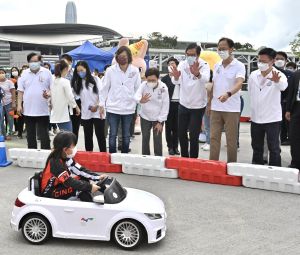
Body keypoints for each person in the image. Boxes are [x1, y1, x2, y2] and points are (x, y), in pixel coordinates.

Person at [208, 37, 245, 163]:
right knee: (214, 138)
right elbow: (213, 84)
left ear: (231, 49)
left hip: (231, 108)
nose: (220, 51)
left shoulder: (239, 65)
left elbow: (240, 83)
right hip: (216, 107)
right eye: (219, 49)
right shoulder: (217, 65)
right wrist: (209, 104)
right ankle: (213, 164)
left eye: (223, 49)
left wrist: (228, 94)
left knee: (231, 139)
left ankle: (231, 165)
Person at [248, 48, 287, 166]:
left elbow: (283, 86)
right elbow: (250, 92)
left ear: (272, 61)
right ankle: (257, 166)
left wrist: (277, 81)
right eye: (259, 60)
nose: (261, 63)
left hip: (272, 119)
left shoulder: (279, 75)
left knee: (273, 147)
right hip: (256, 118)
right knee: (256, 146)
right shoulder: (253, 75)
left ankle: (276, 170)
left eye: (264, 61)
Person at [40, 131, 107, 201]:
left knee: (84, 180)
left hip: (59, 186)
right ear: (65, 149)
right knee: (82, 188)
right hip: (50, 193)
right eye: (73, 146)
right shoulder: (55, 162)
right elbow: (68, 181)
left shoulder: (67, 158)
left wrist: (98, 177)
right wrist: (89, 187)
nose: (75, 148)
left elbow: (80, 170)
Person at [171, 43, 210, 158]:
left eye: (193, 55)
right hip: (183, 104)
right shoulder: (182, 64)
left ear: (198, 55)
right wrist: (176, 77)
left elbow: (206, 79)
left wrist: (197, 74)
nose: (190, 57)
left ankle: (193, 159)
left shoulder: (204, 64)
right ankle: (184, 157)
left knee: (194, 135)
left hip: (197, 106)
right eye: (188, 54)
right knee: (181, 133)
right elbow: (175, 82)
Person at [100, 46, 141, 153]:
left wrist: (138, 102)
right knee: (112, 134)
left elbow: (138, 89)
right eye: (120, 56)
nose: (123, 58)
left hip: (129, 108)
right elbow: (104, 89)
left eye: (125, 56)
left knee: (126, 134)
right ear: (117, 57)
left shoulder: (135, 71)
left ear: (129, 57)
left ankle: (124, 155)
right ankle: (112, 155)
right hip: (113, 108)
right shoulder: (110, 70)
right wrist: (101, 104)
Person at [17, 52, 52, 149]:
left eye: (36, 61)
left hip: (43, 109)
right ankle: (31, 153)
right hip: (28, 109)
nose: (34, 63)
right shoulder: (24, 73)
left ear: (40, 61)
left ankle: (46, 155)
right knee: (30, 135)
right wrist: (19, 105)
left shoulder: (47, 72)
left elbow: (52, 88)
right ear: (28, 62)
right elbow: (20, 91)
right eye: (31, 61)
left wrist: (48, 94)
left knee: (44, 134)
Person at [72, 61, 106, 152]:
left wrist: (98, 105)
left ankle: (103, 154)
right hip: (86, 113)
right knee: (88, 136)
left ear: (86, 69)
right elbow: (72, 96)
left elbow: (102, 94)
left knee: (100, 135)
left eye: (82, 70)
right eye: (78, 71)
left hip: (98, 111)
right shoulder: (77, 83)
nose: (80, 73)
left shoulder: (95, 79)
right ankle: (89, 154)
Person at [135, 68, 169, 156]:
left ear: (158, 78)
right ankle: (145, 157)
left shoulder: (163, 87)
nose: (151, 82)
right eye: (149, 80)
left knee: (157, 139)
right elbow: (136, 96)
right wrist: (140, 100)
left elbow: (165, 106)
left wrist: (160, 121)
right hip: (145, 116)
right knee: (145, 138)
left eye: (153, 80)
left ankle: (158, 159)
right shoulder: (143, 85)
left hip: (158, 118)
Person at [50, 60, 80, 132]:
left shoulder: (53, 80)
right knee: (68, 136)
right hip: (64, 112)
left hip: (56, 111)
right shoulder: (65, 81)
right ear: (66, 69)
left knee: (64, 134)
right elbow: (70, 97)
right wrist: (76, 107)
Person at [274, 51, 294, 145]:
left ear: (286, 61)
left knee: (285, 123)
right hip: (274, 102)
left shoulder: (290, 74)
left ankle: (284, 138)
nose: (279, 61)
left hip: (286, 103)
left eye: (281, 59)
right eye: (277, 59)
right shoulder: (270, 72)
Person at [161, 57, 180, 155]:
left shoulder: (180, 76)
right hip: (168, 104)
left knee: (177, 127)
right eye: (169, 64)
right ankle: (170, 147)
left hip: (179, 104)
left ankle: (176, 147)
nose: (171, 65)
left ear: (176, 65)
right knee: (168, 127)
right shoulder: (165, 78)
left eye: (173, 63)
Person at [285, 69, 300, 170]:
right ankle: (295, 162)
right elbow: (290, 93)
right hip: (297, 107)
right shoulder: (296, 74)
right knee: (294, 136)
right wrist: (288, 109)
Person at [0, 68, 16, 140]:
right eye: (0, 73)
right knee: (1, 120)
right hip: (0, 104)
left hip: (9, 103)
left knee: (10, 119)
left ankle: (9, 133)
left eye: (2, 72)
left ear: (5, 74)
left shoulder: (9, 82)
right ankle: (3, 134)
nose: (1, 74)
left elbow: (13, 92)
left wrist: (13, 103)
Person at [10, 67, 24, 138]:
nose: (14, 72)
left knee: (27, 117)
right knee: (19, 117)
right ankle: (19, 132)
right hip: (18, 100)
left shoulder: (22, 79)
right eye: (13, 71)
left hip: (26, 100)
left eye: (15, 70)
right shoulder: (11, 80)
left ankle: (25, 132)